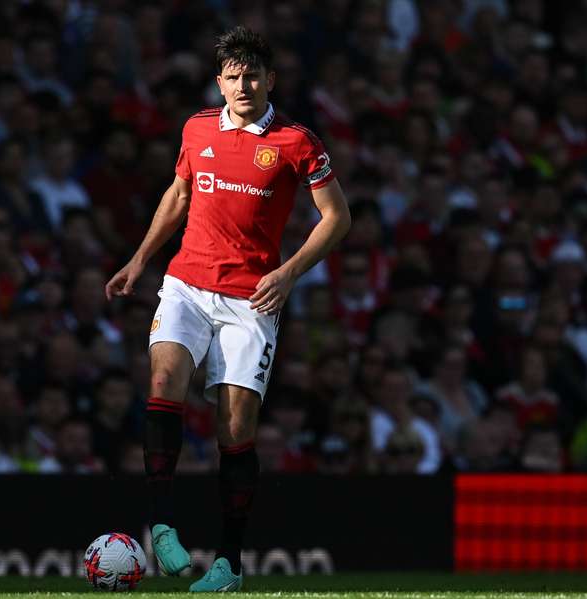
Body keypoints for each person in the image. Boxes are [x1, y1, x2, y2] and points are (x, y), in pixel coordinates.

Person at [104, 27, 350, 592]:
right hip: (186, 282)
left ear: (271, 80)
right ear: (220, 81)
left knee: (234, 427)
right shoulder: (196, 128)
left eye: (253, 75)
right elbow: (179, 194)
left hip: (251, 297)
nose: (243, 84)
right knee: (164, 379)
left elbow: (338, 218)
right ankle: (161, 524)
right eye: (233, 76)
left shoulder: (296, 141)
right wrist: (140, 259)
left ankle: (229, 563)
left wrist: (287, 274)